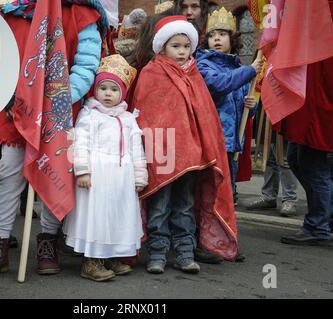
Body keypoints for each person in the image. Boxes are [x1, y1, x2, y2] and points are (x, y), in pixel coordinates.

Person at [0, 0, 106, 279]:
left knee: (54, 173)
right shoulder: (12, 13)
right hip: (17, 111)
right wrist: (9, 99)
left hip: (59, 112)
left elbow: (87, 64)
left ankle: (48, 242)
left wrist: (55, 102)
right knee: (8, 175)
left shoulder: (82, 12)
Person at [133, 16, 239, 274]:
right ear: (162, 47)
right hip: (162, 155)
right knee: (159, 206)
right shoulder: (151, 72)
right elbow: (148, 113)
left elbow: (204, 115)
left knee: (184, 206)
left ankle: (184, 252)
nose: (181, 52)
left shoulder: (195, 74)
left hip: (191, 156)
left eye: (185, 46)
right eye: (175, 46)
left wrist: (203, 148)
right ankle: (157, 253)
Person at [63, 54, 146, 282]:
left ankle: (111, 255)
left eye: (114, 89)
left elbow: (136, 148)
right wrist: (83, 170)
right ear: (95, 90)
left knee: (117, 216)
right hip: (97, 176)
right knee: (97, 216)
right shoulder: (90, 115)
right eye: (103, 88)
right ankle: (91, 260)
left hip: (122, 178)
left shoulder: (129, 118)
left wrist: (140, 177)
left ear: (123, 93)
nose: (108, 94)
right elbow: (80, 142)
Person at [278, 0, 333, 245]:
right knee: (296, 157)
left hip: (320, 93)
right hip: (312, 88)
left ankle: (318, 225)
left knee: (307, 159)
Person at [196, 7, 262, 204]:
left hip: (233, 145)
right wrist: (250, 71)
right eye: (212, 35)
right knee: (210, 197)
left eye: (222, 34)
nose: (216, 39)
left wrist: (251, 106)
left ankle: (225, 234)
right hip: (212, 143)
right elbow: (221, 84)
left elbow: (242, 112)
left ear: (232, 39)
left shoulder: (240, 69)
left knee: (227, 198)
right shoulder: (203, 65)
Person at [247, 132, 298, 217]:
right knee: (267, 158)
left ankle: (289, 200)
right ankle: (269, 196)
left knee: (283, 158)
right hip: (266, 120)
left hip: (281, 120)